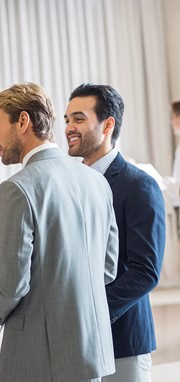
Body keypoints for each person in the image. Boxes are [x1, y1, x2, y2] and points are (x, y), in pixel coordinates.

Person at [0, 82, 119, 382]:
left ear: (23, 122)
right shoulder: (96, 181)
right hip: (91, 351)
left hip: (39, 355)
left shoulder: (17, 188)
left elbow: (11, 284)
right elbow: (107, 269)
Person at [65, 83, 166, 382]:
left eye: (79, 119)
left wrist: (91, 312)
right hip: (73, 340)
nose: (69, 127)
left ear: (107, 124)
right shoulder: (69, 184)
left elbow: (145, 271)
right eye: (67, 119)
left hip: (122, 337)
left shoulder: (139, 185)